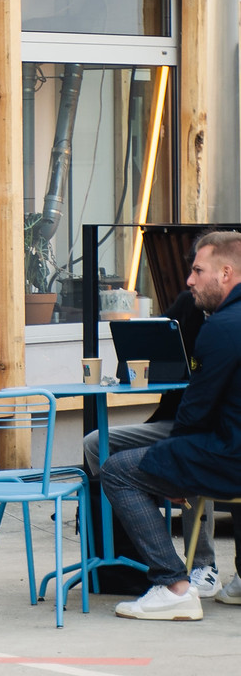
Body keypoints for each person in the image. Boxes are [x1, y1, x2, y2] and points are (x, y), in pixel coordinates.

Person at [106, 232, 241, 621]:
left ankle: (174, 584)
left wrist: (171, 468)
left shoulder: (221, 327)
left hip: (230, 455)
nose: (189, 280)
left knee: (118, 470)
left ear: (226, 273)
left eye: (198, 271)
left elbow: (194, 412)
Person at [80, 285, 220, 595]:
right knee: (95, 443)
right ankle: (124, 548)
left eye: (199, 271)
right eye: (191, 271)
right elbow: (152, 339)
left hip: (210, 428)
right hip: (173, 418)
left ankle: (203, 565)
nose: (191, 279)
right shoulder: (189, 304)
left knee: (189, 455)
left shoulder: (229, 321)